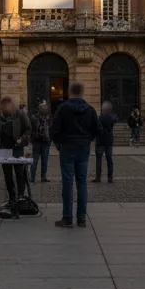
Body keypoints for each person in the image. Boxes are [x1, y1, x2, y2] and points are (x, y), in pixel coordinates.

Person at [51, 82, 99, 228]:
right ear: (82, 93)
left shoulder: (63, 108)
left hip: (67, 148)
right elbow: (98, 129)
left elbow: (54, 129)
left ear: (70, 92)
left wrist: (59, 144)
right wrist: (87, 140)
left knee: (67, 182)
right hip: (83, 148)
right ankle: (82, 217)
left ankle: (67, 217)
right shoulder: (90, 109)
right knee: (82, 182)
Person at [0, 97, 33, 219]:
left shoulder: (20, 114)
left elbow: (28, 129)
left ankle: (20, 197)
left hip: (17, 147)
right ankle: (11, 198)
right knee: (7, 175)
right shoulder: (0, 117)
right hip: (4, 148)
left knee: (20, 173)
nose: (5, 109)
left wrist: (22, 139)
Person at [93, 101, 117, 184]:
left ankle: (98, 177)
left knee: (99, 160)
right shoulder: (112, 118)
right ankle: (110, 178)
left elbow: (96, 128)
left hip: (100, 141)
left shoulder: (100, 118)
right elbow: (114, 120)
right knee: (109, 159)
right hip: (108, 141)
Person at [30, 101, 52, 183]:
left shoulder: (34, 117)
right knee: (43, 160)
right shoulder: (49, 118)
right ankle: (43, 177)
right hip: (43, 141)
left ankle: (32, 177)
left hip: (38, 141)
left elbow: (31, 129)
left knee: (35, 160)